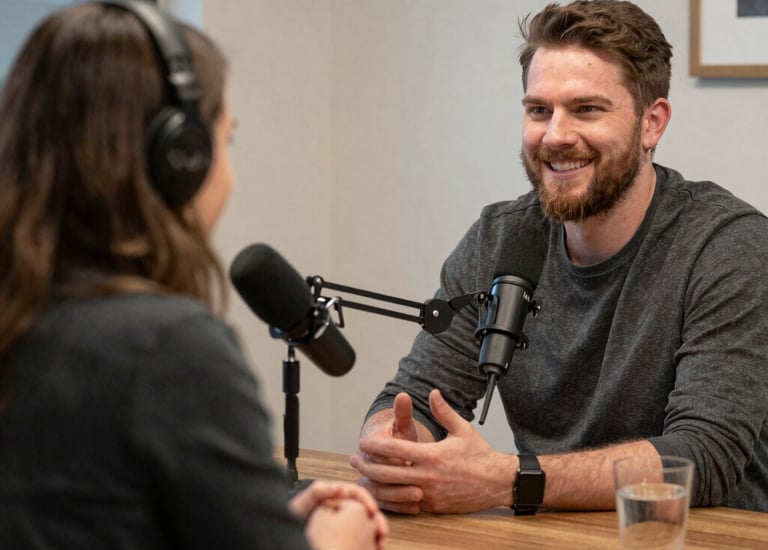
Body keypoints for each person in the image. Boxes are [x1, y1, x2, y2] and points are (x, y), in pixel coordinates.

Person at [351, 0, 768, 515]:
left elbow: (704, 456)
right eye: (539, 110)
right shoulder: (499, 238)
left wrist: (507, 480)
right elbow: (415, 396)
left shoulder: (730, 246)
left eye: (586, 109)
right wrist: (395, 445)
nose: (555, 136)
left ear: (652, 123)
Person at [0, 2, 387, 549]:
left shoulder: (24, 316)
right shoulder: (166, 348)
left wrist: (263, 521)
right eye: (226, 141)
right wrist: (336, 539)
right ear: (181, 159)